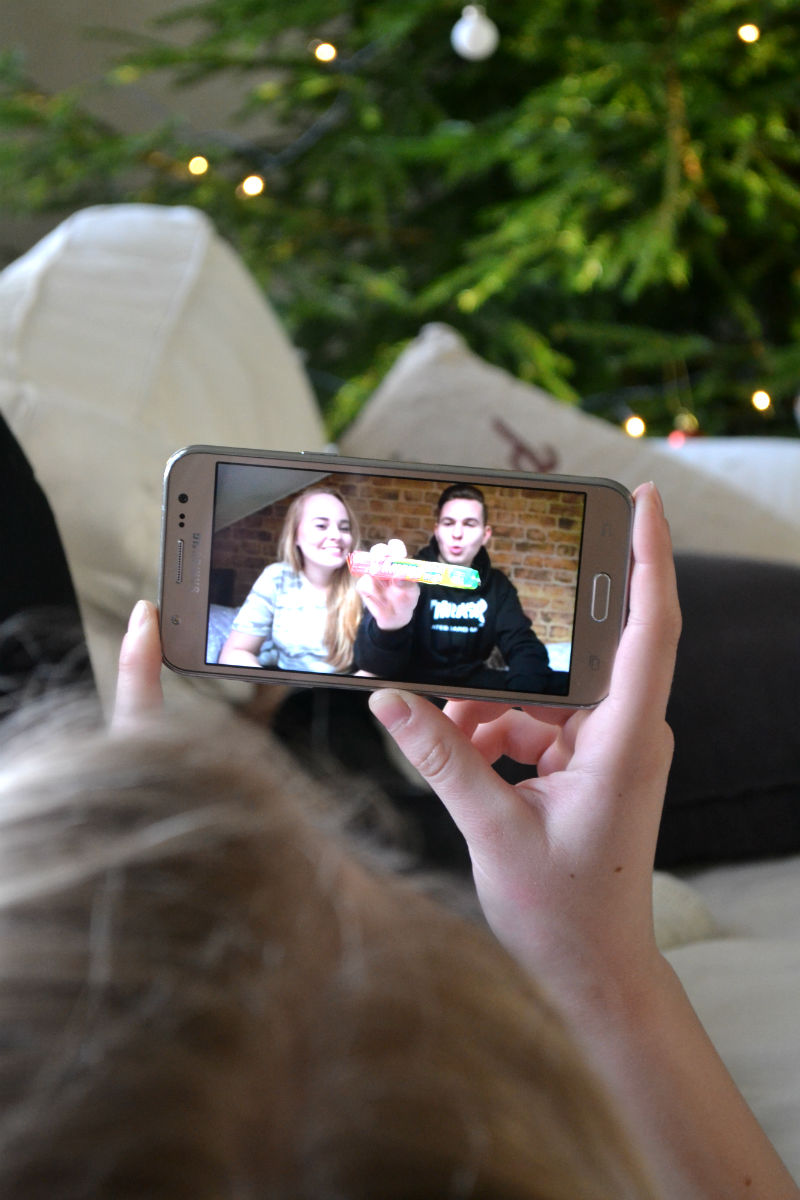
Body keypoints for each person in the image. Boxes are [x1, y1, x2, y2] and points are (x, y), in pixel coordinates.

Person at [112, 483, 799, 1198]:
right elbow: (355, 665)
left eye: (342, 525)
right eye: (452, 523)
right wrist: (602, 969)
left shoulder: (441, 588)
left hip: (422, 727)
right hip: (379, 734)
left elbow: (488, 658)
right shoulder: (331, 586)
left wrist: (505, 676)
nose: (334, 536)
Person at [353, 483, 556, 692]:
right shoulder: (405, 579)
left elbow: (523, 646)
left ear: (485, 534)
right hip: (413, 687)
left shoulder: (498, 586)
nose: (457, 533)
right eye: (448, 523)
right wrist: (388, 627)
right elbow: (374, 665)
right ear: (437, 530)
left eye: (469, 524)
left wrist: (520, 700)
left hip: (472, 687)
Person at [219, 486, 362, 674]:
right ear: (295, 536)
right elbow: (235, 652)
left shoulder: (365, 584)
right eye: (321, 525)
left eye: (344, 528)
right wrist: (266, 682)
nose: (336, 535)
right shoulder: (277, 578)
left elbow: (379, 666)